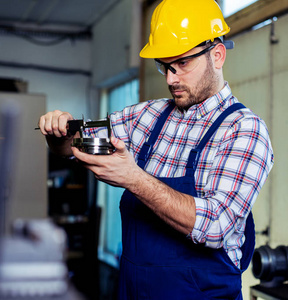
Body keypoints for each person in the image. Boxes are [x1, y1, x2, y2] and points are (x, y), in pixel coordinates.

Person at [38, 0, 274, 298]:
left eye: (183, 64)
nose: (171, 79)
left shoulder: (244, 129)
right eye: (165, 66)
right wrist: (58, 131)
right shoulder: (147, 117)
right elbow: (73, 146)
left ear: (217, 55)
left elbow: (216, 227)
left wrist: (133, 179)